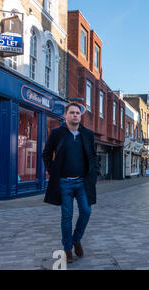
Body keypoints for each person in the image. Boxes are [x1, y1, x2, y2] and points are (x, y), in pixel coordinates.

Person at [42, 103, 99, 264]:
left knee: (86, 211)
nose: (75, 115)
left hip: (82, 182)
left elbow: (93, 156)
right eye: (72, 112)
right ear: (65, 115)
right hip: (64, 183)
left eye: (77, 113)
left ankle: (76, 239)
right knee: (66, 217)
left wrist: (94, 173)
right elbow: (46, 154)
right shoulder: (57, 133)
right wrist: (53, 172)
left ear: (80, 117)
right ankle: (67, 249)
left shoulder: (87, 134)